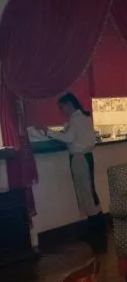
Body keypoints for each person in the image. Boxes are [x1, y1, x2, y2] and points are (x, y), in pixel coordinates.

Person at [42, 93, 104, 250]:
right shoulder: (85, 118)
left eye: (61, 108)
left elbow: (69, 138)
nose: (61, 111)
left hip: (79, 158)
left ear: (69, 104)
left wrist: (48, 131)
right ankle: (98, 230)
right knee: (89, 192)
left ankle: (96, 232)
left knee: (86, 193)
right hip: (86, 157)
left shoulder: (76, 120)